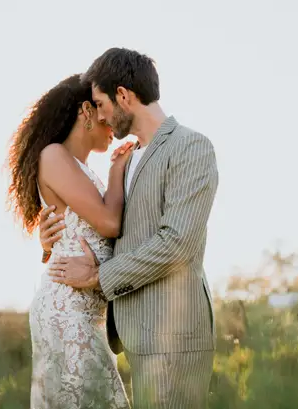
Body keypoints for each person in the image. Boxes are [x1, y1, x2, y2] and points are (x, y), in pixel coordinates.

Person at [39, 47, 219, 409]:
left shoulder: (190, 146)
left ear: (123, 95)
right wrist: (50, 242)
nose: (100, 114)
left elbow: (177, 244)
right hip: (137, 334)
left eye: (101, 102)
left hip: (174, 335)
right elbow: (110, 230)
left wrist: (97, 277)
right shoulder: (130, 158)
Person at [6, 73, 135, 408]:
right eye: (104, 109)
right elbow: (108, 222)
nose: (112, 121)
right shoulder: (53, 155)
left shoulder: (77, 166)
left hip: (87, 311)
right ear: (86, 111)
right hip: (67, 309)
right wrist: (117, 170)